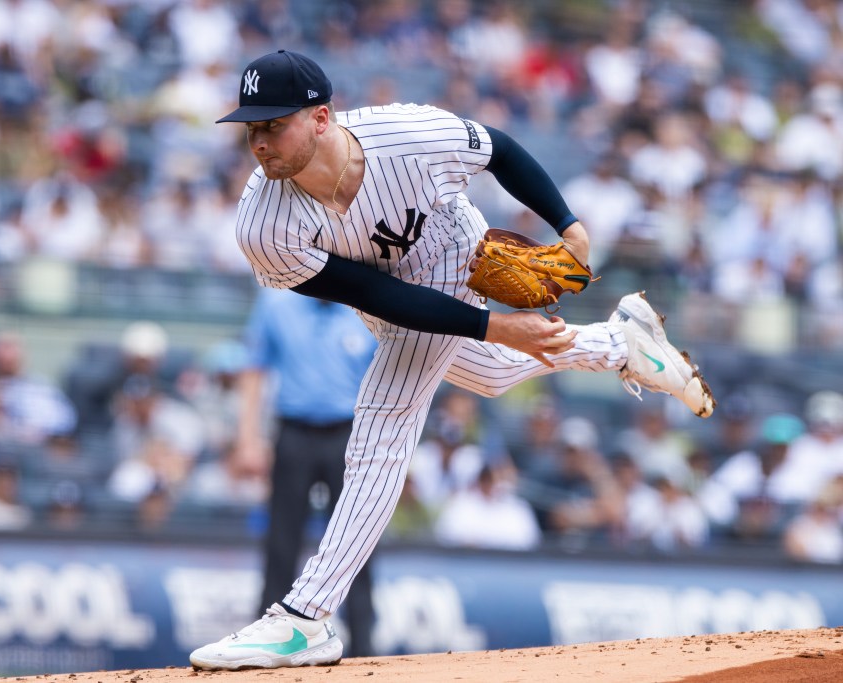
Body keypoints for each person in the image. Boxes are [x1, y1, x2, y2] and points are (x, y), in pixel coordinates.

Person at [190, 49, 716, 671]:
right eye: (252, 127)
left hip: (455, 250)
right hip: (393, 296)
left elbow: (500, 149)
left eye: (274, 124)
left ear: (322, 118)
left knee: (384, 420)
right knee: (491, 372)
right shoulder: (263, 225)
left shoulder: (405, 133)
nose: (260, 142)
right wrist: (497, 329)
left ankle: (306, 618)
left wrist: (567, 224)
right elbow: (373, 293)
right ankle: (619, 343)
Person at [234, 287, 377, 658]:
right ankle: (264, 640)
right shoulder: (276, 301)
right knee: (281, 540)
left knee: (357, 541)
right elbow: (254, 368)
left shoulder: (365, 304)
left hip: (351, 435)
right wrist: (248, 438)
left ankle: (365, 647)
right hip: (293, 431)